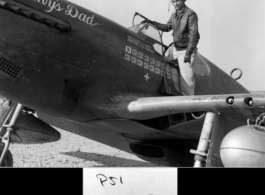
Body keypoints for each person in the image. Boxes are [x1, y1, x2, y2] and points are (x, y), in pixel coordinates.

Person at [142, 0, 200, 95]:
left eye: (177, 1)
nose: (175, 4)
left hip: (186, 50)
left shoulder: (191, 14)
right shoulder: (174, 14)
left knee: (186, 81)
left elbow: (194, 36)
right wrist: (151, 22)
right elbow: (167, 27)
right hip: (175, 48)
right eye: (173, 1)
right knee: (160, 60)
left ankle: (188, 107)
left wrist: (188, 53)